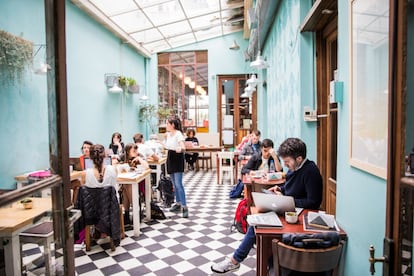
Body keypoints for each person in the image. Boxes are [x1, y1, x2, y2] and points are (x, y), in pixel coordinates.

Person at [211, 137, 323, 274]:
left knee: (256, 227)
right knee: (256, 222)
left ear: (299, 158)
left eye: (287, 161)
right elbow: (290, 186)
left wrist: (288, 200)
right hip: (289, 210)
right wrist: (279, 189)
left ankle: (235, 261)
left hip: (300, 218)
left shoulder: (311, 171)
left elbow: (313, 202)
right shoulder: (295, 168)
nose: (286, 165)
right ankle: (238, 260)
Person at [164, 116, 188, 218]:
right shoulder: (168, 134)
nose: (166, 125)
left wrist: (180, 148)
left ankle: (184, 206)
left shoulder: (178, 134)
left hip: (177, 159)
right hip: (170, 158)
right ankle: (178, 203)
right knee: (174, 184)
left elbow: (183, 147)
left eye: (167, 123)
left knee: (178, 184)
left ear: (172, 125)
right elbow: (167, 146)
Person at [120, 143, 149, 225]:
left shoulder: (139, 156)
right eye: (134, 151)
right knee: (126, 187)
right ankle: (134, 212)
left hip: (139, 181)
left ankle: (131, 213)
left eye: (136, 150)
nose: (136, 152)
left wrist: (139, 159)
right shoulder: (123, 157)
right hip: (127, 181)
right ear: (128, 151)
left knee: (127, 187)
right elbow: (115, 163)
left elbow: (147, 167)